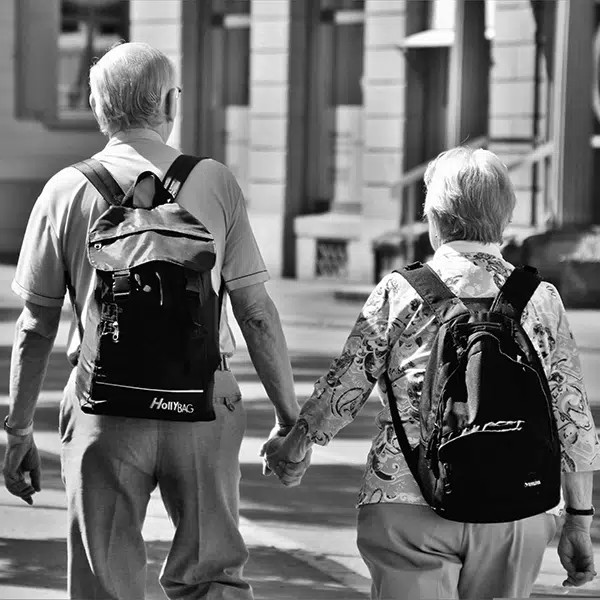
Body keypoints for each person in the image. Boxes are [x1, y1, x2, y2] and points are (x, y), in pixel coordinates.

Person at [2, 42, 306, 600]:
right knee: (211, 576)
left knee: (104, 582)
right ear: (170, 102)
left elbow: (36, 326)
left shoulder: (64, 190)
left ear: (98, 106)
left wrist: (18, 430)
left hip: (105, 407)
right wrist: (291, 421)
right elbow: (256, 313)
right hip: (204, 403)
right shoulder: (215, 183)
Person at [264, 146, 600, 599]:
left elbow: (345, 385)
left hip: (407, 501)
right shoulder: (541, 298)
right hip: (517, 508)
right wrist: (579, 519)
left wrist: (294, 444)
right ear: (505, 215)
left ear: (434, 215)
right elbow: (573, 416)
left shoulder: (401, 290)